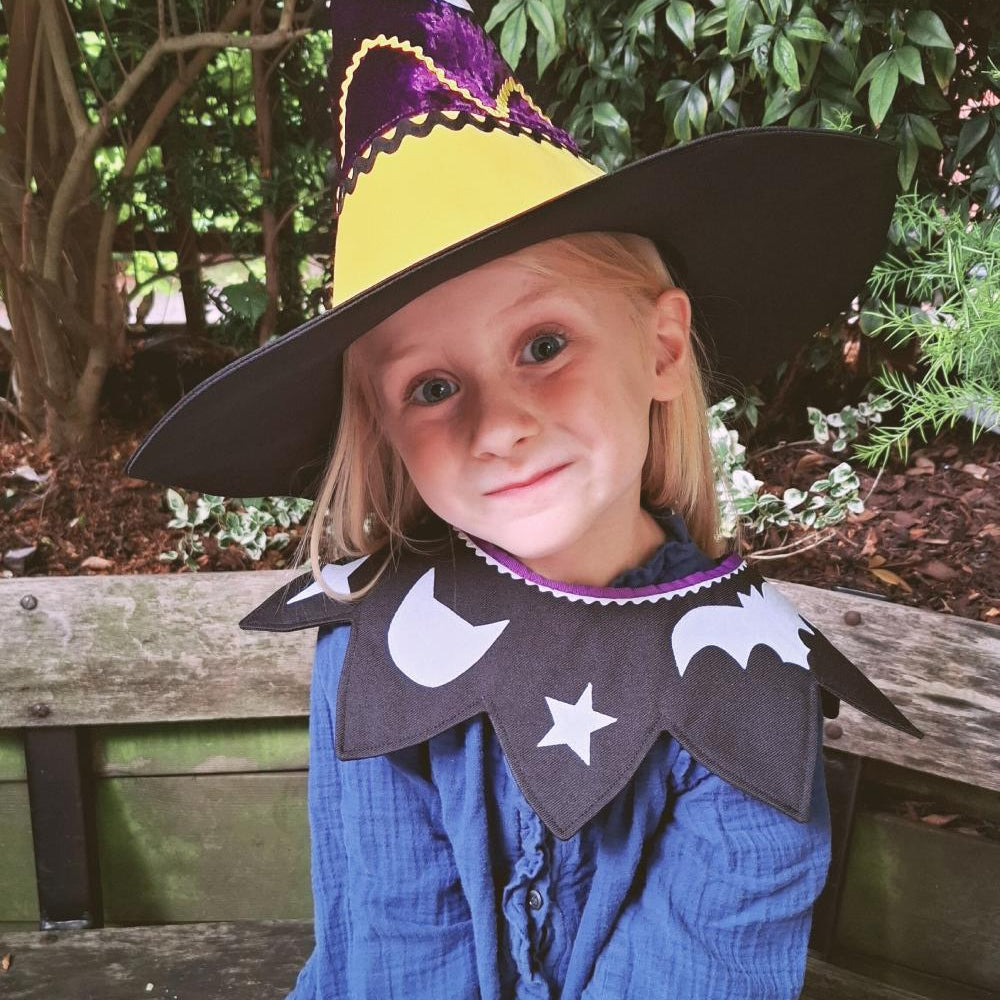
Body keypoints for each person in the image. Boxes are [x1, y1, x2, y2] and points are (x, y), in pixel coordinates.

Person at [123, 0, 923, 996]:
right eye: (431, 386)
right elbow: (393, 954)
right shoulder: (376, 644)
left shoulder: (745, 688)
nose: (497, 425)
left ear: (661, 348)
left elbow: (703, 967)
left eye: (543, 345)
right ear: (384, 427)